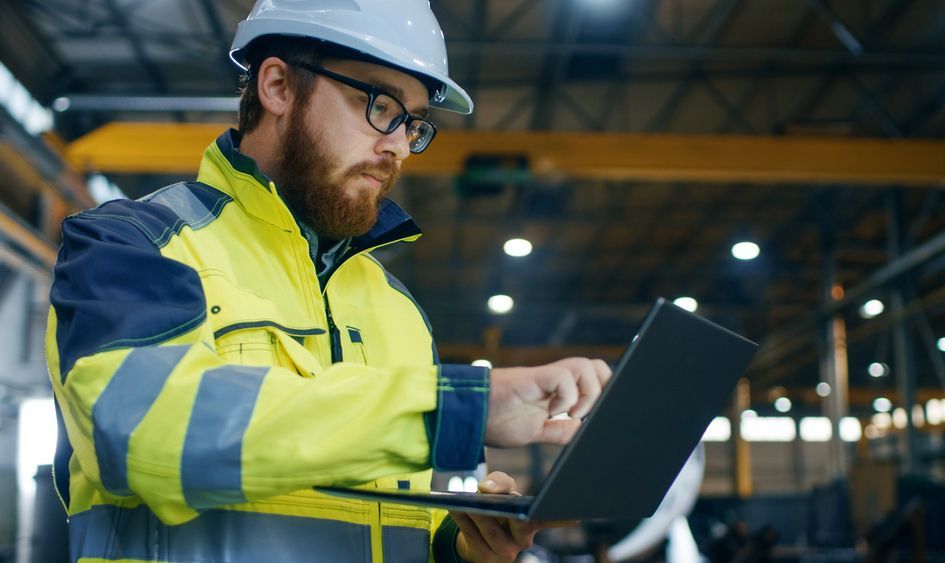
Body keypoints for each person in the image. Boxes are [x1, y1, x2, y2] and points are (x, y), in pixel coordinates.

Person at [44, 1, 612, 562]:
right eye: (380, 104)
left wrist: (465, 545)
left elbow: (417, 517)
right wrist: (456, 412)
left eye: (413, 123)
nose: (396, 144)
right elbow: (145, 434)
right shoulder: (133, 246)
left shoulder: (398, 308)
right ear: (278, 87)